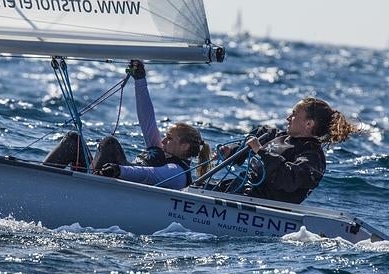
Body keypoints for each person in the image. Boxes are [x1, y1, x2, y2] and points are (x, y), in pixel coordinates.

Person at [43, 60, 211, 189]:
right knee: (73, 139)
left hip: (107, 188)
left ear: (184, 146)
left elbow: (149, 174)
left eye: (170, 138)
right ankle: (37, 178)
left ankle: (83, 183)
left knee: (110, 144)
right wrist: (140, 80)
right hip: (103, 178)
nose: (164, 140)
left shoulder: (177, 172)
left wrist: (120, 170)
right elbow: (148, 120)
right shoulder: (159, 151)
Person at [219, 97, 359, 204]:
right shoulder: (275, 136)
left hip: (262, 205)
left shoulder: (312, 157)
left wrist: (261, 152)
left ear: (308, 124)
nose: (288, 118)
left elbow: (288, 179)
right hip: (237, 189)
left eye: (293, 115)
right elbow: (245, 148)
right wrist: (230, 151)